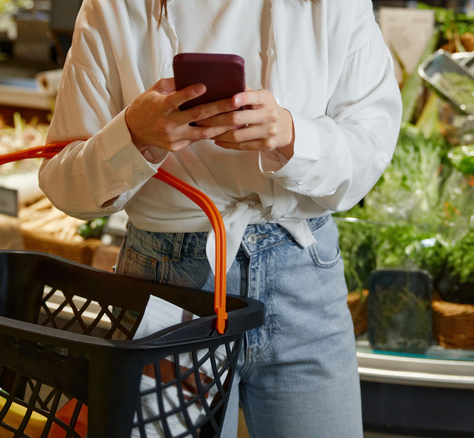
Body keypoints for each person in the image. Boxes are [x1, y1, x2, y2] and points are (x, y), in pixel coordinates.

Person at [38, 0, 402, 436]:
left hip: (305, 278)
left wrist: (291, 135)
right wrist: (134, 135)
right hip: (170, 289)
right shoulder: (112, 7)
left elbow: (370, 148)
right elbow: (64, 183)